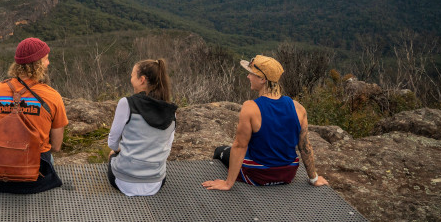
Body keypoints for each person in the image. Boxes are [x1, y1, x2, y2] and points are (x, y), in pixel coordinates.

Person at [202, 55, 329, 190]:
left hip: (257, 175)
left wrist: (228, 184)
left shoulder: (250, 107)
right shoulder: (298, 108)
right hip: (287, 175)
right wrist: (313, 178)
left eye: (252, 74)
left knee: (221, 150)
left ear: (262, 79)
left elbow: (240, 146)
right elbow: (305, 147)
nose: (248, 77)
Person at [0, 37, 68, 194]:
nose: (48, 63)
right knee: (48, 158)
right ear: (37, 65)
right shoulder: (53, 97)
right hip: (34, 175)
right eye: (46, 59)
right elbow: (56, 146)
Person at [107, 59, 177, 196]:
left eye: (132, 75)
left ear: (142, 80)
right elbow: (168, 146)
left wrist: (117, 150)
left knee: (113, 155)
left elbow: (112, 142)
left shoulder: (127, 103)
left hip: (123, 182)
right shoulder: (171, 110)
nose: (130, 78)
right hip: (156, 183)